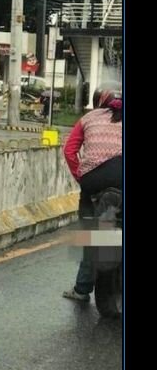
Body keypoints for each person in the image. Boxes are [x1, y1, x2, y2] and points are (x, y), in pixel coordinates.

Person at [62, 87, 122, 302]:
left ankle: (81, 289)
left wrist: (82, 177)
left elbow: (69, 150)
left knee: (90, 236)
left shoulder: (89, 117)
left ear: (100, 101)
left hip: (94, 186)